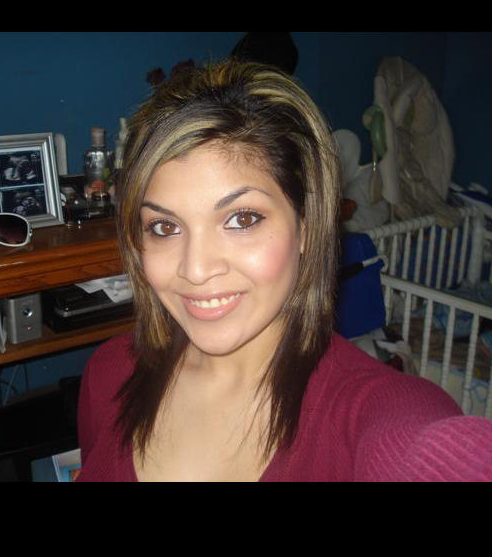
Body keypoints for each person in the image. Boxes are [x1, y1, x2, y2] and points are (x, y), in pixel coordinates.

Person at [76, 59, 492, 482]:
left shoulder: (369, 410)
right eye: (165, 227)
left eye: (242, 219)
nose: (196, 270)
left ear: (306, 227)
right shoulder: (109, 373)